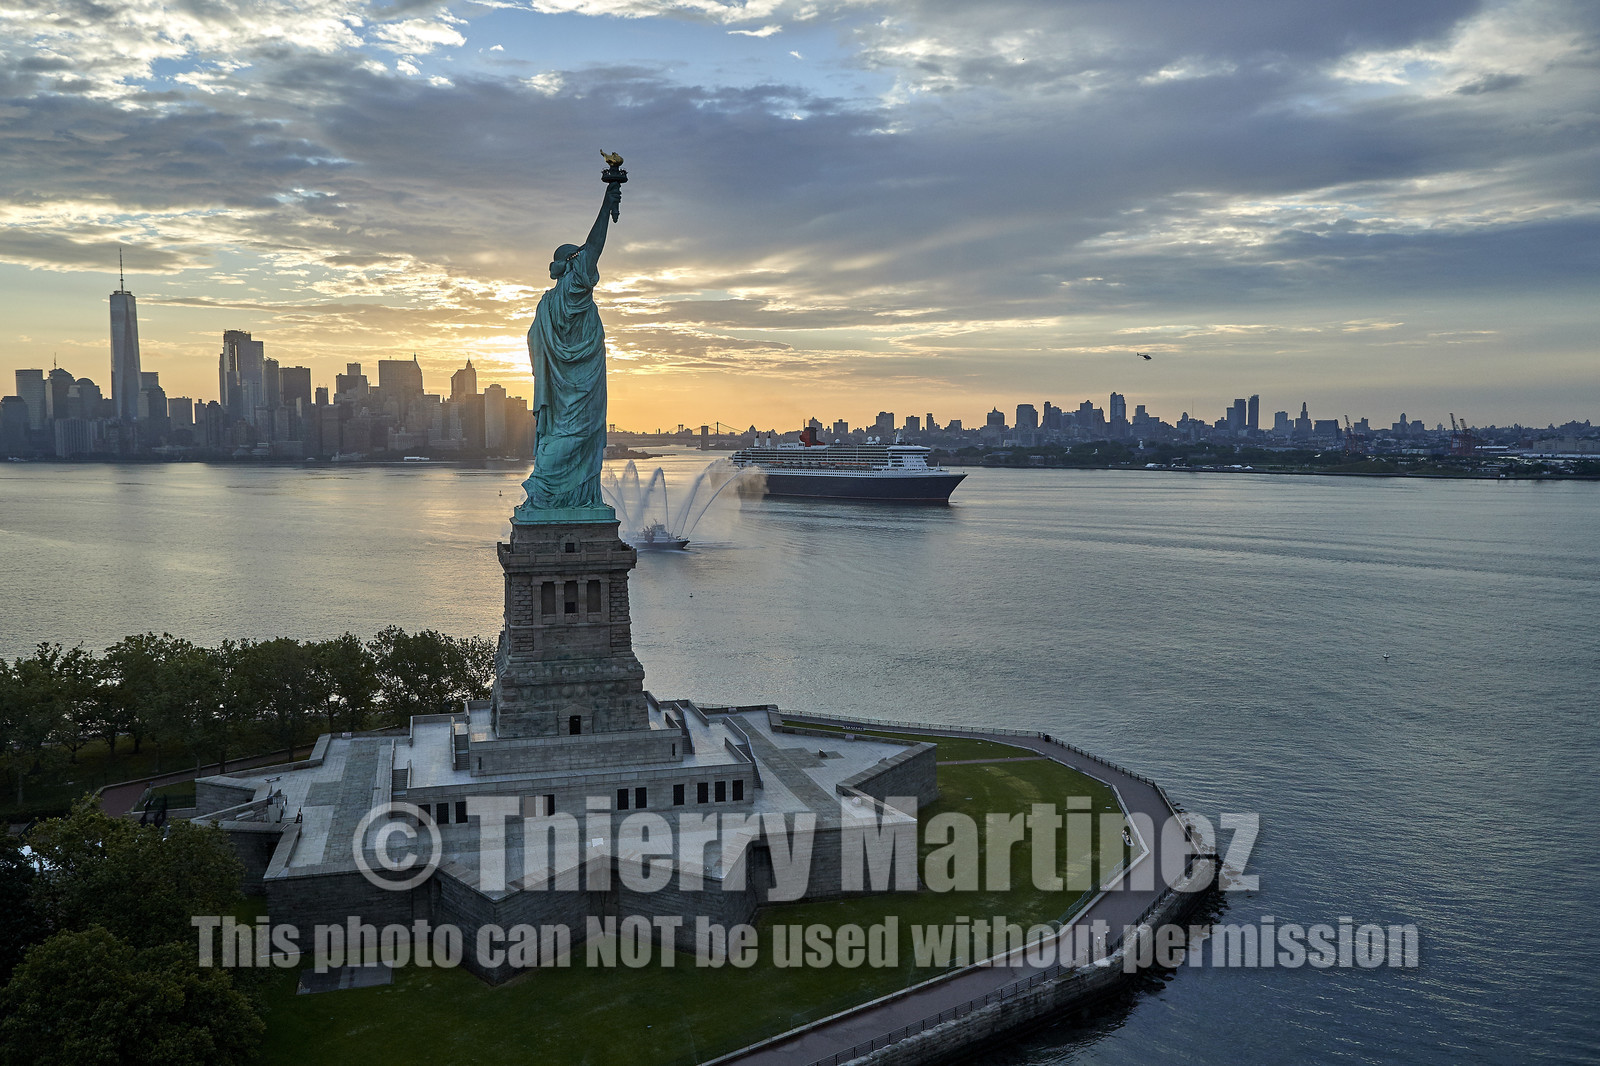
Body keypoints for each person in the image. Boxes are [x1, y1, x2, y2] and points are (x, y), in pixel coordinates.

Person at [522, 179, 623, 510]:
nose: (585, 258)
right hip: (584, 377)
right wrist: (607, 205)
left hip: (560, 381)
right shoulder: (571, 288)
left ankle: (562, 495)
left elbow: (534, 341)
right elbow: (594, 244)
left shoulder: (546, 303)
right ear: (574, 263)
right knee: (580, 433)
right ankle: (552, 491)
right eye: (579, 257)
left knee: (564, 434)